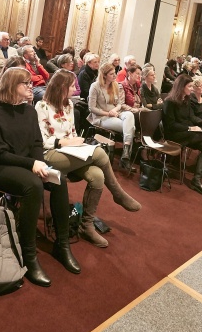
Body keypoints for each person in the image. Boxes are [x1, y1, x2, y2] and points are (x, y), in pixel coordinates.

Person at [0, 67, 80, 287]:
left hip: (23, 163)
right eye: (25, 83)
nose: (31, 86)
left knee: (57, 178)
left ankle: (62, 245)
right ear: (12, 86)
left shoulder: (29, 110)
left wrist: (41, 163)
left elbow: (35, 143)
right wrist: (32, 164)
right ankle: (28, 253)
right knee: (34, 185)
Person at [37, 70, 140, 248]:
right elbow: (41, 141)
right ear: (61, 87)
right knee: (99, 153)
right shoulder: (42, 106)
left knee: (98, 176)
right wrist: (65, 142)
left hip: (72, 153)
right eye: (71, 86)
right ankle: (118, 194)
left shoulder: (69, 105)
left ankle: (87, 226)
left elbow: (73, 132)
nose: (75, 90)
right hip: (50, 154)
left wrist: (77, 143)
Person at [87, 63, 136, 169]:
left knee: (129, 115)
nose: (115, 76)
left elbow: (119, 103)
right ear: (104, 75)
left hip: (115, 113)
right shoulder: (95, 86)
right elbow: (92, 108)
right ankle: (125, 157)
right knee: (131, 128)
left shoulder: (115, 85)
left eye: (115, 73)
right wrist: (108, 113)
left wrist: (114, 110)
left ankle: (125, 154)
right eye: (111, 74)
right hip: (102, 117)